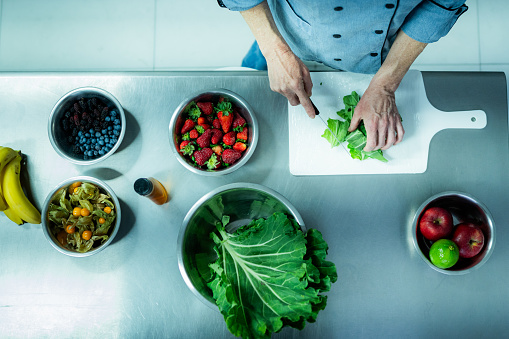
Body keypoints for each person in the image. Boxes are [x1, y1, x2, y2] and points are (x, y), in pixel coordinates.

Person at [217, 0, 467, 151]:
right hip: (285, 35)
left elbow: (442, 4)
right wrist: (274, 51)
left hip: (375, 49)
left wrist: (385, 85)